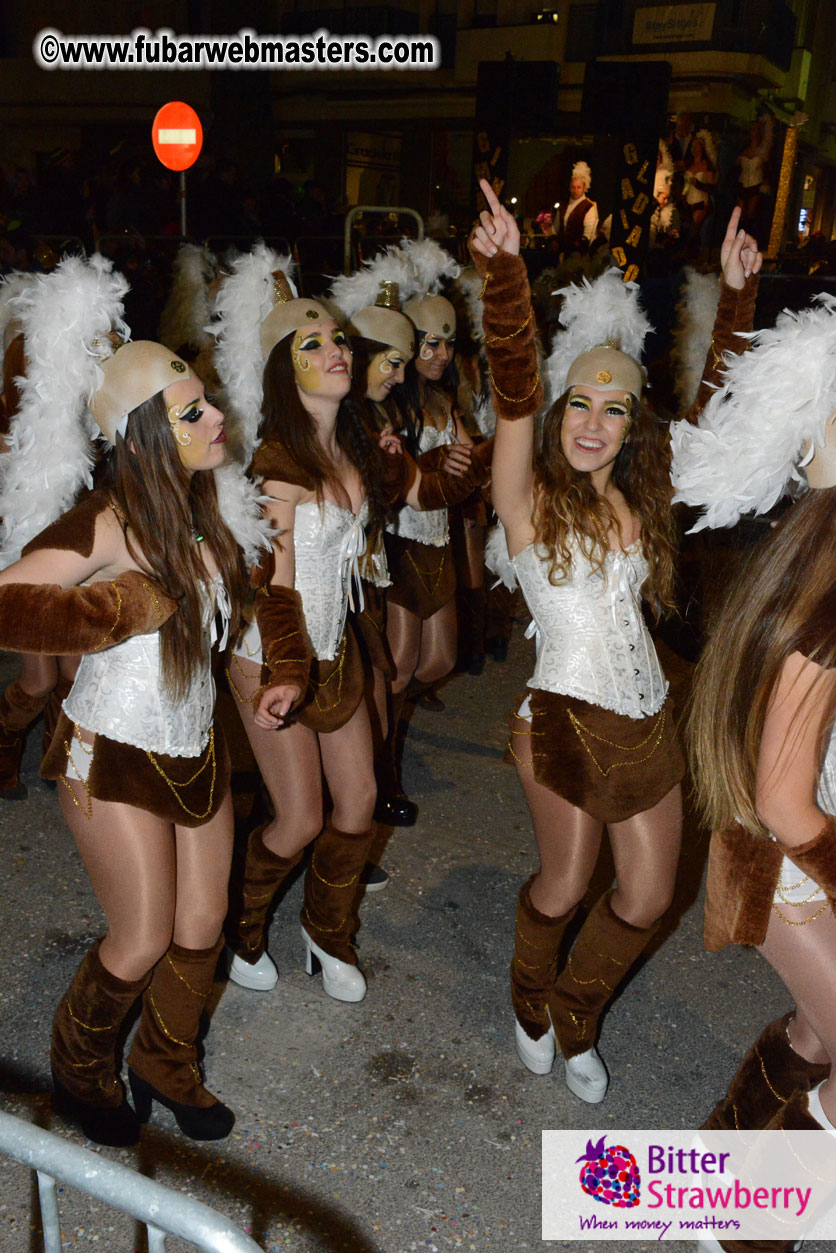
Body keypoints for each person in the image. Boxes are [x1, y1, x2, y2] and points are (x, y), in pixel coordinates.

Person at [0, 254, 276, 1147]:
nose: (217, 415)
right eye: (193, 410)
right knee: (144, 933)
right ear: (148, 433)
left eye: (208, 401)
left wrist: (277, 680)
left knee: (203, 926)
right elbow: (8, 599)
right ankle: (81, 1068)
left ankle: (167, 1058)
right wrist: (119, 605)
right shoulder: (104, 520)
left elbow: (233, 619)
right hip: (112, 752)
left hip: (196, 744)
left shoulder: (201, 509)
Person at [470, 178, 688, 1104]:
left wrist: (740, 299)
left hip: (647, 720)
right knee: (564, 887)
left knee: (645, 897)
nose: (594, 423)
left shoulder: (641, 501)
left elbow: (720, 420)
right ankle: (531, 998)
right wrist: (510, 282)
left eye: (615, 410)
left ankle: (577, 1012)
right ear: (561, 414)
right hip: (559, 719)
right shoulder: (527, 502)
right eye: (580, 406)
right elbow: (512, 398)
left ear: (633, 426)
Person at [672, 216, 836, 1219]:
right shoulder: (826, 577)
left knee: (819, 1035)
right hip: (786, 869)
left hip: (794, 852)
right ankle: (741, 1222)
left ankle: (719, 1202)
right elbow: (779, 799)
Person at [558, 161, 598, 257]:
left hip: (579, 255)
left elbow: (588, 235)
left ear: (584, 188)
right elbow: (555, 228)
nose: (575, 190)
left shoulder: (589, 207)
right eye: (573, 187)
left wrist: (577, 246)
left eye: (578, 187)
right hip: (562, 252)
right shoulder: (564, 205)